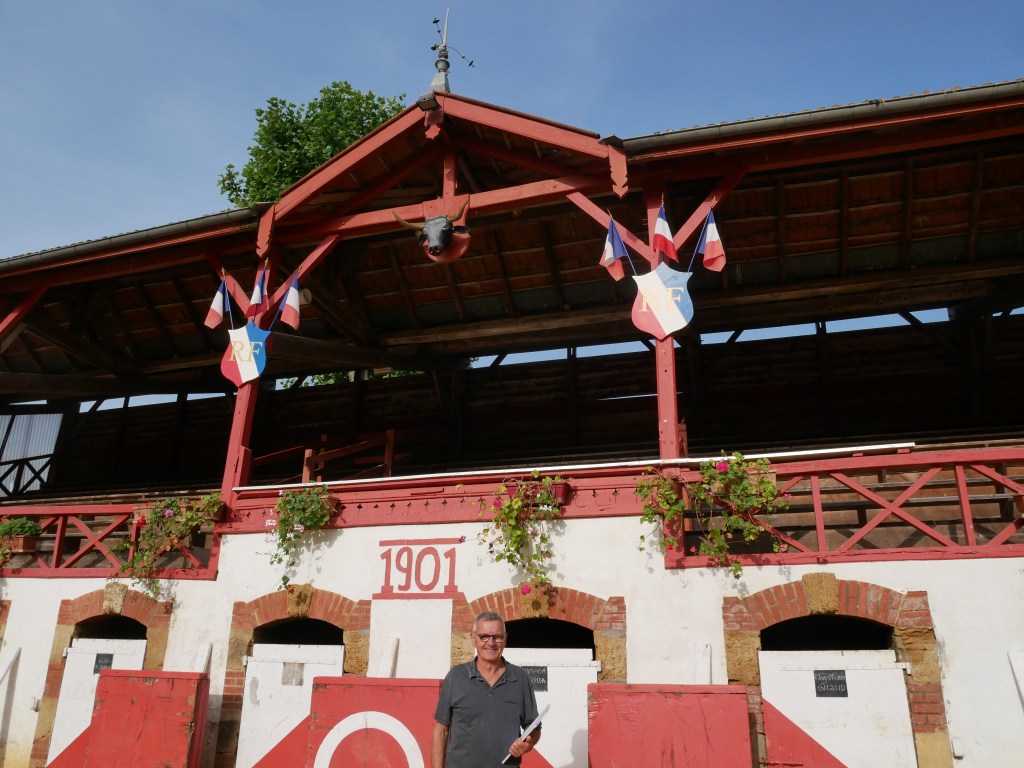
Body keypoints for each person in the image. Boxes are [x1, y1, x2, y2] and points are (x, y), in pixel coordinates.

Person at [432, 611, 541, 767]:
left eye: (497, 637)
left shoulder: (520, 678)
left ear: (505, 639)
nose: (491, 643)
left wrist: (528, 745)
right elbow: (441, 730)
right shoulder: (455, 677)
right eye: (484, 636)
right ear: (473, 639)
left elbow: (534, 729)